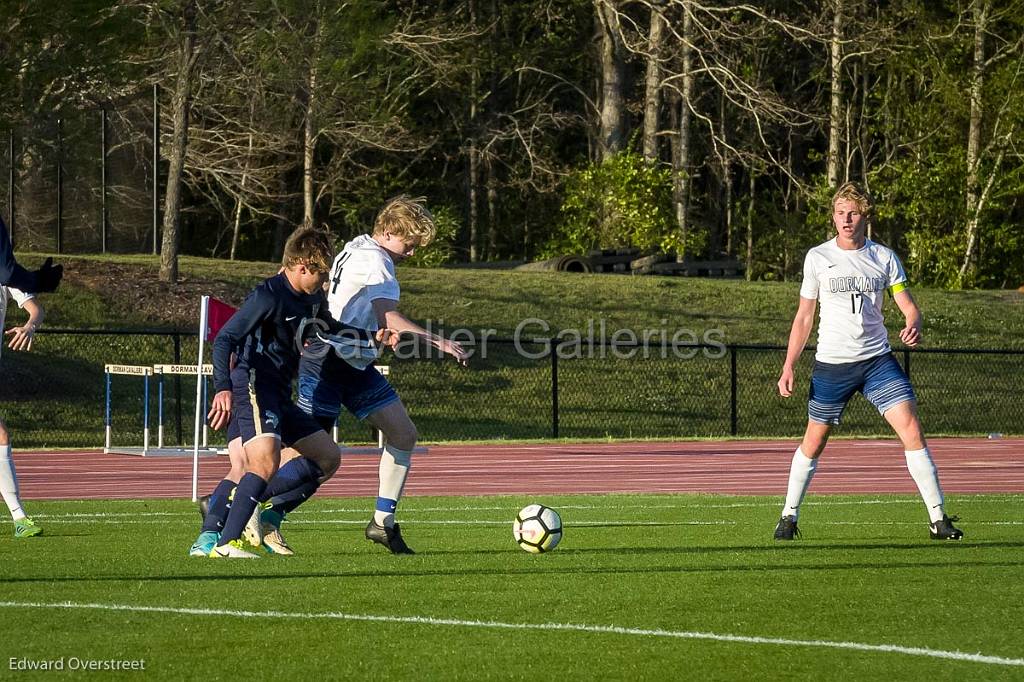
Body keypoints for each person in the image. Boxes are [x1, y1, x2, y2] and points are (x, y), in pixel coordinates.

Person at [250, 195, 469, 555]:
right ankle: (238, 502)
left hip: (354, 362)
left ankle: (382, 523)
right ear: (386, 231)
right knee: (311, 454)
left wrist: (378, 336)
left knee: (402, 434)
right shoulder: (378, 262)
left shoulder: (358, 246)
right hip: (327, 360)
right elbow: (388, 315)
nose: (411, 253)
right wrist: (438, 340)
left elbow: (355, 306)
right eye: (408, 244)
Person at [188, 226, 394, 558]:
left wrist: (369, 336)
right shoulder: (267, 295)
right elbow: (226, 338)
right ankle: (224, 543)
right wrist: (222, 389)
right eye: (319, 273)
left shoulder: (312, 297)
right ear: (300, 266)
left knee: (328, 457)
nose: (324, 282)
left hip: (280, 390)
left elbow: (328, 326)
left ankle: (246, 518)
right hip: (253, 384)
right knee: (261, 462)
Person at [774, 181, 962, 542]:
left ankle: (938, 519)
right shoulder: (818, 257)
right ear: (833, 216)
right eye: (840, 212)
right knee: (814, 441)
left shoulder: (884, 257)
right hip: (832, 364)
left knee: (911, 428)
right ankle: (789, 516)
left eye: (853, 212)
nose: (846, 219)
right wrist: (788, 365)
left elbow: (908, 306)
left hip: (877, 361)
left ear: (865, 216)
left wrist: (913, 323)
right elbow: (803, 317)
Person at [0, 283, 46, 537]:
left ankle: (19, 519)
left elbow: (36, 310)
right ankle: (19, 517)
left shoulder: (7, 274)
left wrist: (30, 326)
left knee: (1, 436)